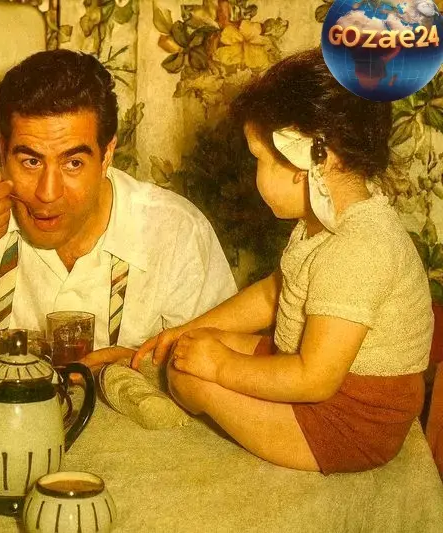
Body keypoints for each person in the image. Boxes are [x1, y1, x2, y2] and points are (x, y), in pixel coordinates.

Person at [128, 48, 432, 473]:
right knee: (189, 349)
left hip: (351, 421)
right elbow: (275, 294)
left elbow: (314, 378)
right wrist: (190, 329)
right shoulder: (320, 221)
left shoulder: (359, 249)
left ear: (313, 160)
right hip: (315, 376)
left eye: (259, 159)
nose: (255, 175)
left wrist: (222, 367)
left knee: (193, 378)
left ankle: (200, 395)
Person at [0, 49, 236, 362]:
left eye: (73, 163)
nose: (47, 193)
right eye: (31, 161)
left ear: (107, 155)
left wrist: (134, 367)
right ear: (2, 151)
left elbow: (223, 369)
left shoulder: (176, 233)